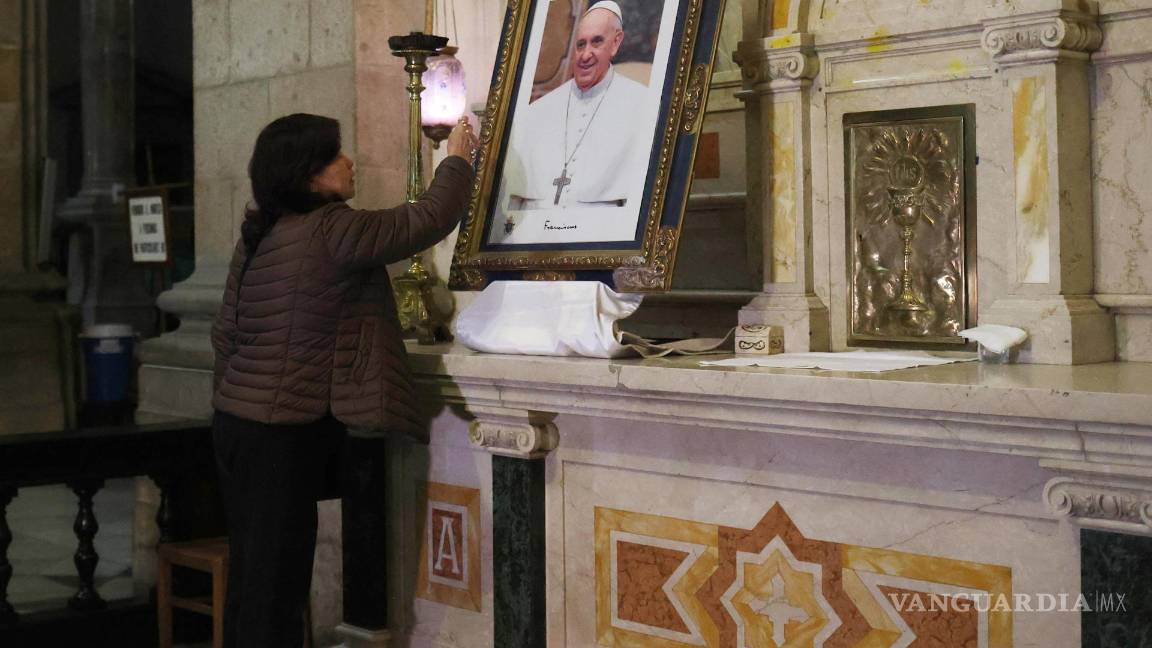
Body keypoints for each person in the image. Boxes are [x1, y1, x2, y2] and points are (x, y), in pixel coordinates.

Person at [209, 112, 477, 647]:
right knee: (276, 592)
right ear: (309, 173)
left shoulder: (259, 233)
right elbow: (425, 219)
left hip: (237, 426)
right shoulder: (333, 229)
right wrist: (459, 159)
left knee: (255, 583)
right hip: (283, 434)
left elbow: (224, 335)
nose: (348, 162)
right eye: (335, 155)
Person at [503, 0, 650, 211]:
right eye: (581, 44)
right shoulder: (537, 112)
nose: (585, 55)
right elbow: (514, 204)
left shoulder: (642, 106)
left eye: (596, 42)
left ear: (616, 42)